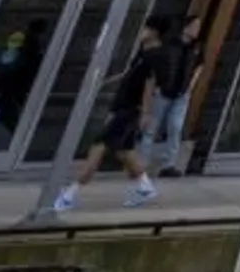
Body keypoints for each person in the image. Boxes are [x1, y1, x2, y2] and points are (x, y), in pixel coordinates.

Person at [50, 16, 172, 212]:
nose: (141, 32)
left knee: (99, 145)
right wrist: (102, 82)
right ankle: (145, 187)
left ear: (155, 32)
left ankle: (69, 194)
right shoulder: (143, 53)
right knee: (124, 151)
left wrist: (145, 113)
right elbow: (129, 73)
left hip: (131, 109)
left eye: (145, 29)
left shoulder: (157, 56)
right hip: (123, 105)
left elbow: (151, 85)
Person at [141, 12, 204, 174]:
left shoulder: (196, 47)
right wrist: (156, 84)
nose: (197, 30)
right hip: (163, 90)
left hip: (182, 94)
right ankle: (141, 163)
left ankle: (169, 164)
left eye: (198, 27)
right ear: (186, 26)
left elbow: (200, 65)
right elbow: (157, 65)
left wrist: (191, 85)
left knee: (175, 127)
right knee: (152, 127)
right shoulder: (169, 44)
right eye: (194, 26)